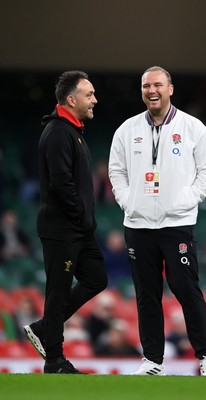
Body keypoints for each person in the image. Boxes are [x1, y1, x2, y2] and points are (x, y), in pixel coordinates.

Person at [108, 66, 206, 376]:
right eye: (146, 86)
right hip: (138, 224)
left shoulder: (193, 127)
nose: (151, 90)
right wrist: (127, 200)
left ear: (170, 88)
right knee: (146, 294)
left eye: (157, 84)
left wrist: (187, 199)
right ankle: (153, 361)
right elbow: (115, 171)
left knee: (186, 289)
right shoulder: (127, 130)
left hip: (177, 223)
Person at [23, 70, 108, 374]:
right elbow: (61, 185)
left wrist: (84, 222)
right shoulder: (59, 132)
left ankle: (45, 327)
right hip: (62, 228)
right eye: (89, 94)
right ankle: (54, 360)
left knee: (97, 277)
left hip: (77, 228)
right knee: (57, 291)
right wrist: (82, 217)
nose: (94, 99)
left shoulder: (72, 131)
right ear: (71, 100)